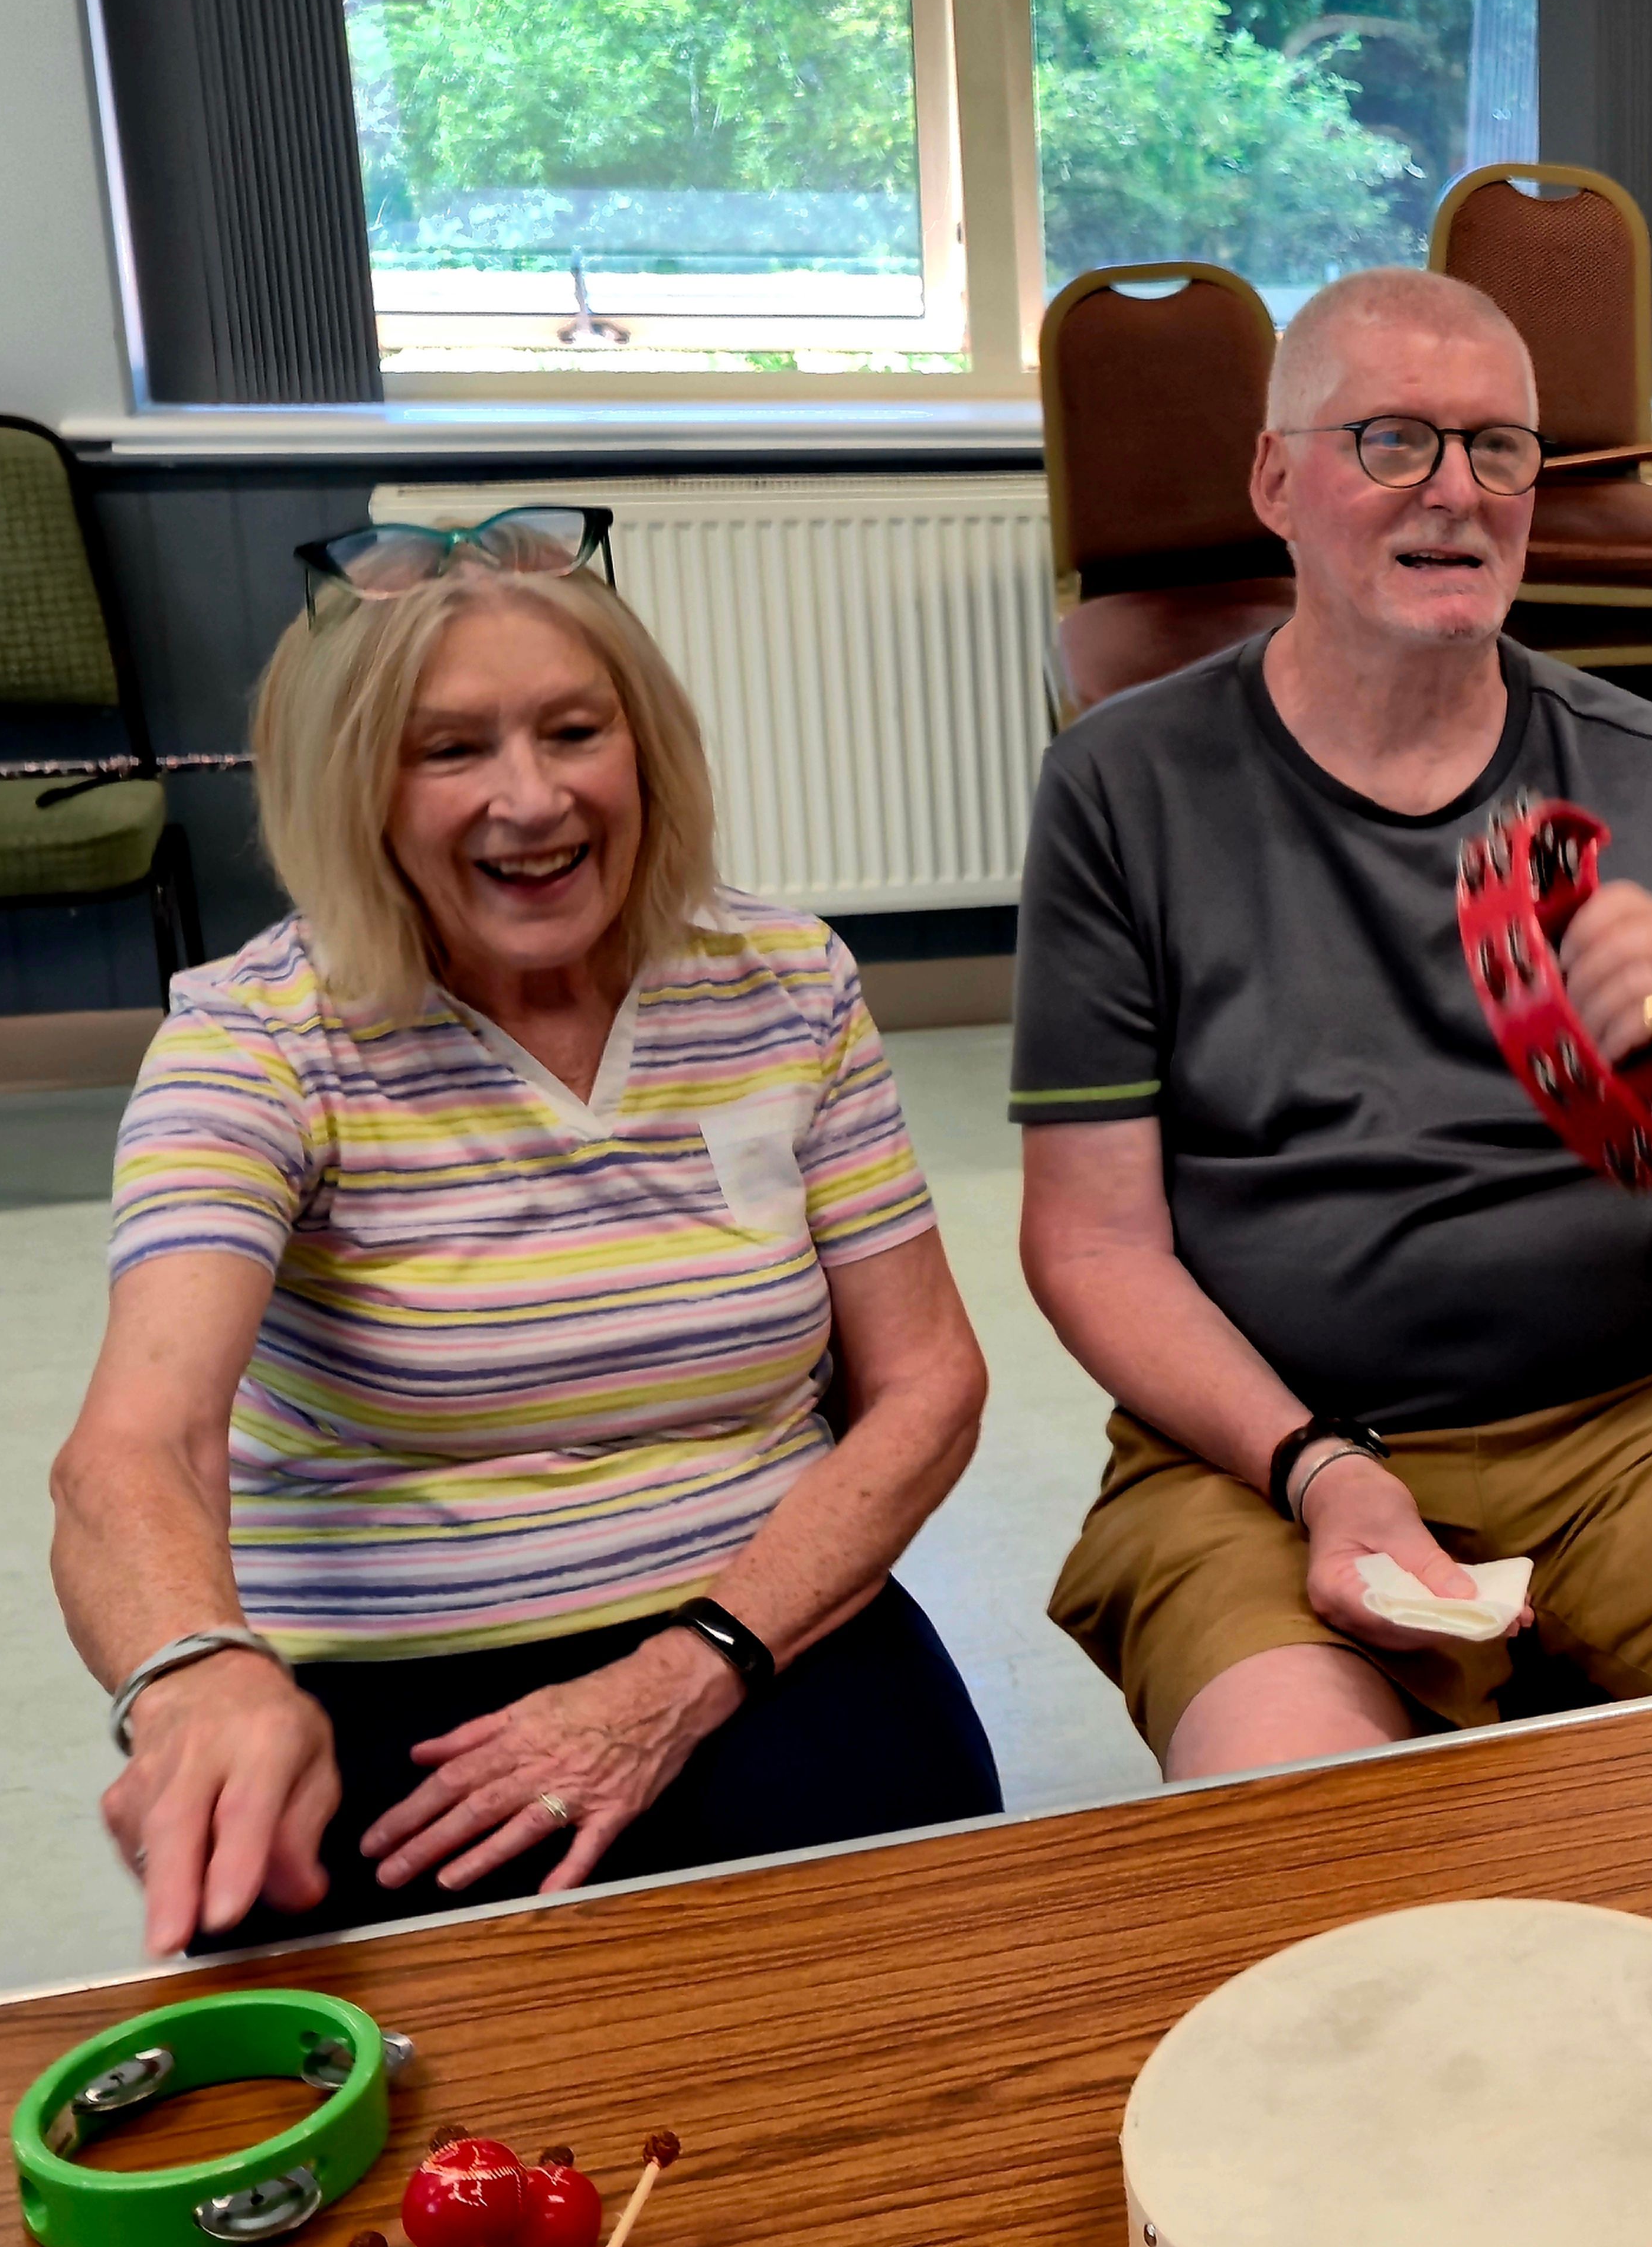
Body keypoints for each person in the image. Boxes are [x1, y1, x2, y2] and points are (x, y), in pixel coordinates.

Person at [1012, 268, 1652, 1778]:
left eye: (1501, 448)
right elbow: (1092, 1243)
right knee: (1300, 1845)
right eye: (1394, 441)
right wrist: (1316, 1467)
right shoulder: (1125, 786)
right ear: (1276, 481)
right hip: (1261, 1453)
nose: (1458, 491)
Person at [59, 510, 1001, 1954]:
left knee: (935, 2000)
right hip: (396, 1680)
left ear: (647, 747)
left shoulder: (781, 981)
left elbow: (928, 1382)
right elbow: (138, 1445)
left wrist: (694, 1663)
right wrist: (193, 1671)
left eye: (575, 731)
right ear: (352, 789)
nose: (532, 799)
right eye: (449, 751)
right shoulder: (258, 1044)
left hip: (767, 1619)